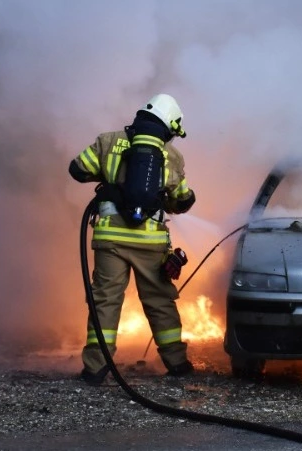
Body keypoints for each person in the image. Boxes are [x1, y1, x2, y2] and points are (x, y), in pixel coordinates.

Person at [69, 93, 196, 385]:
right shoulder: (172, 156)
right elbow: (181, 201)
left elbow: (77, 169)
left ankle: (95, 368)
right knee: (159, 300)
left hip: (110, 241)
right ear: (169, 125)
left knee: (105, 300)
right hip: (150, 243)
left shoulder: (108, 141)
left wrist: (112, 184)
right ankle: (177, 363)